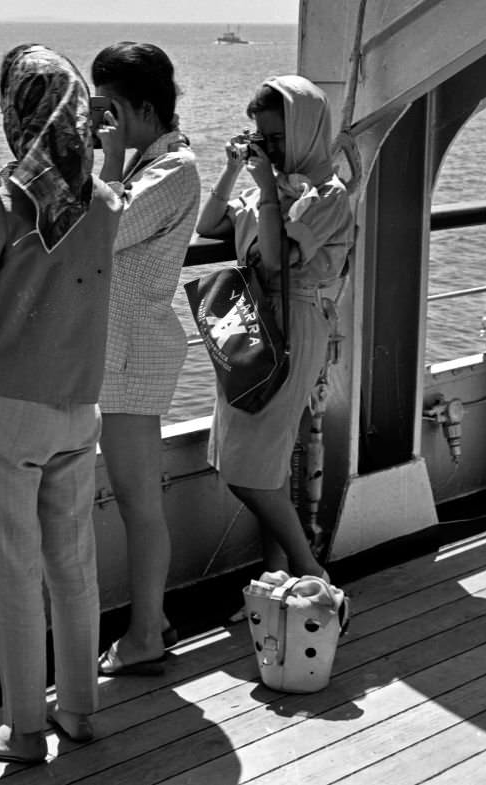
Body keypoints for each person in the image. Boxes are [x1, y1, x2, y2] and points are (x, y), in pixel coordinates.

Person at [0, 45, 121, 764]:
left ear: (18, 112)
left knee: (13, 571)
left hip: (7, 407)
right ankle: (78, 710)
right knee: (74, 562)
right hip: (78, 406)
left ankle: (22, 729)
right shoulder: (108, 201)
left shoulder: (6, 201)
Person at [195, 74, 353, 580]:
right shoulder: (276, 186)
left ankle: (310, 571)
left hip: (295, 324)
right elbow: (209, 225)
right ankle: (277, 577)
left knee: (251, 471)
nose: (272, 149)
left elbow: (279, 258)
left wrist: (264, 190)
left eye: (278, 138)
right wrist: (232, 171)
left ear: (306, 131)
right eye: (263, 138)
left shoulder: (327, 195)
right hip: (255, 323)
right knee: (265, 462)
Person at [89, 42, 200, 676]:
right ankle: (151, 621)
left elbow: (105, 229)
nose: (101, 120)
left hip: (132, 354)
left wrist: (104, 160)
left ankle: (144, 636)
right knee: (137, 498)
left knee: (137, 500)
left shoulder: (172, 171)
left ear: (143, 108)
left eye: (109, 108)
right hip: (126, 349)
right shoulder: (150, 166)